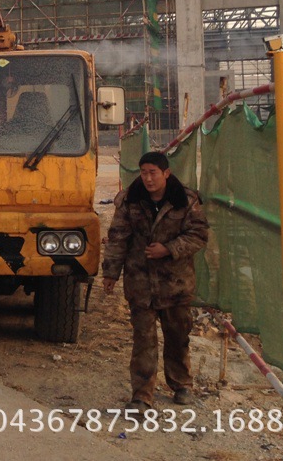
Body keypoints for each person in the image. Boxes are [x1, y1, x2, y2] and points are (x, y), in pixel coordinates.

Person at [101, 151, 209, 412]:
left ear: (166, 174)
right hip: (140, 283)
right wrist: (110, 273)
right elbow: (118, 237)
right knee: (143, 341)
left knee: (177, 336)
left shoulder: (186, 200)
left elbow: (199, 235)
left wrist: (169, 248)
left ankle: (181, 384)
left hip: (176, 283)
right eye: (144, 172)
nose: (148, 179)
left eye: (153, 173)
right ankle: (141, 396)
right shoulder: (131, 200)